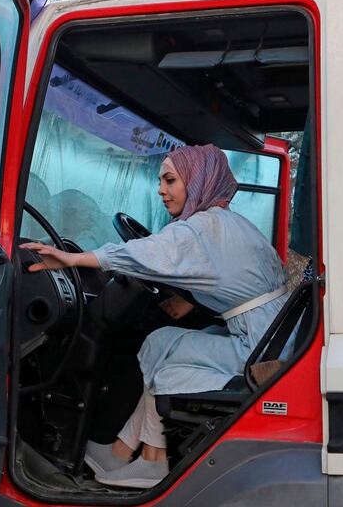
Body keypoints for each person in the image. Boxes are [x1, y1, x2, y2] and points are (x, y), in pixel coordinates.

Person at [20, 144, 289, 489]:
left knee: (165, 366)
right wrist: (189, 299)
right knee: (160, 341)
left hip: (256, 345)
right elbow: (233, 277)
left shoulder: (198, 229)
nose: (161, 190)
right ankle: (120, 450)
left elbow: (145, 252)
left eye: (170, 180)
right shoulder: (231, 222)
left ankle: (153, 460)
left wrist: (73, 260)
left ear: (197, 181)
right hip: (271, 334)